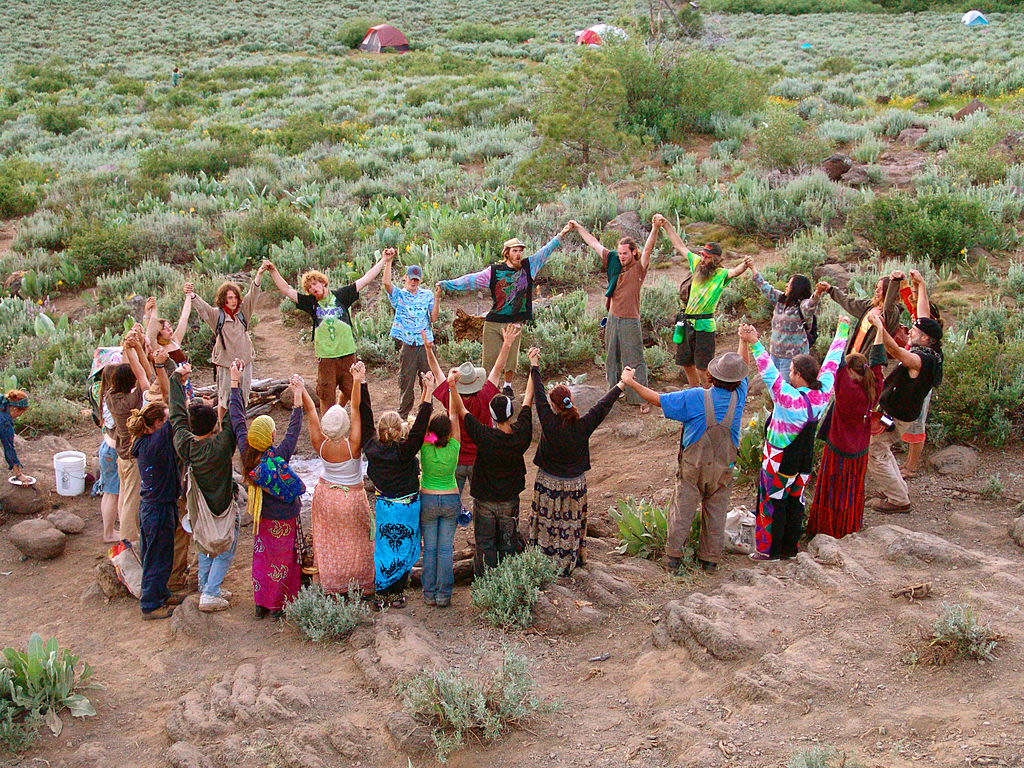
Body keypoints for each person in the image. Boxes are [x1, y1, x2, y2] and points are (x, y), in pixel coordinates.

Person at [622, 347, 749, 573]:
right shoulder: (739, 397)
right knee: (717, 512)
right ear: (738, 381)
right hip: (723, 469)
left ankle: (673, 557)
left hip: (694, 467)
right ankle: (710, 560)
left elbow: (658, 400)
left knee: (682, 508)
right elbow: (741, 369)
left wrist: (630, 382)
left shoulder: (696, 397)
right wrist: (743, 341)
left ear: (712, 376)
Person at [739, 318, 850, 560]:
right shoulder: (823, 392)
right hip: (804, 460)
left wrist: (754, 343)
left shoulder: (788, 398)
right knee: (795, 502)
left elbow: (768, 372)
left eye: (791, 371)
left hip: (777, 459)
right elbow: (832, 362)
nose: (788, 374)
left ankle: (768, 551)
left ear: (799, 374)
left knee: (771, 503)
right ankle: (790, 548)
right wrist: (842, 329)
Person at [438, 222, 574, 395]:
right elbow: (470, 280)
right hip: (494, 322)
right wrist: (446, 284)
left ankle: (508, 387)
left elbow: (545, 251)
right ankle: (488, 389)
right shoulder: (494, 272)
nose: (518, 254)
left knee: (511, 361)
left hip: (514, 323)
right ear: (507, 253)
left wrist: (562, 233)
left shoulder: (529, 267)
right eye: (514, 251)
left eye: (520, 251)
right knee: (489, 361)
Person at [526, 346, 623, 576]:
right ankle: (569, 562)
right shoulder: (583, 425)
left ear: (554, 406)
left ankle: (544, 560)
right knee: (569, 524)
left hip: (548, 483)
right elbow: (602, 407)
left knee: (548, 521)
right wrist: (621, 385)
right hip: (575, 484)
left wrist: (534, 365)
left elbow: (538, 394)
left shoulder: (548, 422)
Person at [263, 252, 390, 411]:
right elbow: (286, 290)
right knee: (326, 396)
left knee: (355, 394)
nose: (313, 288)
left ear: (323, 283)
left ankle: (360, 427)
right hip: (326, 359)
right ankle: (328, 431)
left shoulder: (341, 296)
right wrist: (273, 270)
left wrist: (384, 260)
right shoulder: (311, 303)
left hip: (347, 355)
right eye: (309, 288)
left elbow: (366, 279)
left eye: (315, 284)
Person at [230, 363, 306, 619]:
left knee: (264, 560)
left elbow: (237, 418)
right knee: (285, 561)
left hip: (262, 518)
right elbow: (294, 431)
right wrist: (298, 397)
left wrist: (234, 382)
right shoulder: (279, 458)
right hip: (285, 517)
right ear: (271, 436)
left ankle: (261, 604)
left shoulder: (247, 456)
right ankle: (279, 606)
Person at [358, 371, 435, 609]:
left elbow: (365, 417)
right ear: (399, 431)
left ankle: (385, 593)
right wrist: (428, 391)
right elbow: (420, 427)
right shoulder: (405, 451)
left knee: (385, 547)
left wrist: (362, 382)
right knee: (405, 548)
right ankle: (398, 593)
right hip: (409, 508)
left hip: (385, 507)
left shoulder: (371, 448)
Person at [299, 361, 374, 596]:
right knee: (358, 541)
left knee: (329, 541)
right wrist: (357, 380)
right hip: (351, 495)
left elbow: (311, 411)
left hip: (326, 496)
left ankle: (331, 583)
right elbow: (356, 407)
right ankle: (361, 583)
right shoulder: (353, 445)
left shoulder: (320, 444)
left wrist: (300, 389)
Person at [168, 362, 239, 613]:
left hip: (198, 507)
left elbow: (176, 416)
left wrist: (176, 380)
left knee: (205, 543)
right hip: (222, 505)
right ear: (213, 427)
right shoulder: (221, 446)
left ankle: (205, 584)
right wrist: (235, 383)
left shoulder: (186, 446)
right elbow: (234, 418)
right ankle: (210, 592)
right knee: (225, 545)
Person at [450, 370, 535, 576]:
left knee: (485, 545)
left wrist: (453, 386)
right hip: (509, 499)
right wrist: (533, 368)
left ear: (492, 416)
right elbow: (528, 401)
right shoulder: (521, 434)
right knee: (508, 542)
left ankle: (485, 583)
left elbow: (462, 411)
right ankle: (507, 582)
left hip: (485, 500)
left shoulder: (484, 436)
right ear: (510, 413)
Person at [572, 216, 660, 413]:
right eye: (620, 253)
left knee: (634, 357)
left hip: (630, 319)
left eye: (625, 253)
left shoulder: (639, 268)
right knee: (612, 356)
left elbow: (648, 249)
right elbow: (594, 243)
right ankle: (614, 392)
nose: (621, 257)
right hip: (613, 317)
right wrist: (578, 227)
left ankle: (640, 398)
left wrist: (654, 228)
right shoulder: (613, 260)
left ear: (633, 252)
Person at [424, 323, 519, 502]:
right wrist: (507, 344)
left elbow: (436, 372)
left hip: (456, 457)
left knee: (453, 498)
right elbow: (498, 369)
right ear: (477, 380)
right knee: (482, 499)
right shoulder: (485, 395)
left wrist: (429, 350)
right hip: (480, 458)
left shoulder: (451, 396)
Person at [864, 307, 944, 514]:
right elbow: (923, 314)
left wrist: (880, 327)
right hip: (899, 413)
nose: (910, 332)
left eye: (915, 331)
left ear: (926, 338)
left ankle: (898, 499)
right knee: (882, 449)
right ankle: (896, 490)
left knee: (875, 451)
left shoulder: (921, 360)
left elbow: (896, 352)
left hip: (896, 416)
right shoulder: (933, 353)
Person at [659, 219, 751, 387]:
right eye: (702, 255)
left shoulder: (721, 274)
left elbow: (735, 272)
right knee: (686, 363)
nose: (702, 259)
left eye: (706, 257)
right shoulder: (696, 265)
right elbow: (680, 246)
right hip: (687, 322)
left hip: (705, 326)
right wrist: (666, 225)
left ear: (715, 260)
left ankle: (709, 396)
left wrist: (745, 264)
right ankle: (696, 393)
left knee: (703, 367)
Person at [806, 343, 885, 540]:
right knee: (851, 492)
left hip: (838, 451)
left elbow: (837, 364)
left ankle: (826, 529)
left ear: (850, 371)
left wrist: (843, 330)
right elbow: (877, 363)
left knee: (832, 491)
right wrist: (879, 329)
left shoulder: (847, 391)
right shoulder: (873, 388)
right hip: (859, 452)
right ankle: (849, 527)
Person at [127, 351, 179, 620]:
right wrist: (163, 369)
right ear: (156, 424)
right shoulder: (157, 442)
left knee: (156, 553)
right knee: (157, 556)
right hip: (157, 509)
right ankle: (150, 605)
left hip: (153, 506)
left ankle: (160, 592)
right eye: (164, 420)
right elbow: (172, 404)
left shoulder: (144, 442)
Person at [187, 268, 265, 423]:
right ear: (223, 299)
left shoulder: (243, 313)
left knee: (243, 396)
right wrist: (192, 295)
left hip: (245, 362)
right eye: (230, 298)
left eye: (235, 297)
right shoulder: (218, 316)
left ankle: (240, 425)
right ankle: (223, 428)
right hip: (225, 363)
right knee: (224, 397)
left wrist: (260, 274)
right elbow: (203, 309)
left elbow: (253, 295)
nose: (233, 301)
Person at [106, 328, 157, 544]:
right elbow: (146, 378)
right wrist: (136, 348)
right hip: (133, 454)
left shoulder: (111, 396)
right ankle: (129, 539)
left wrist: (129, 348)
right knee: (131, 500)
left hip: (121, 454)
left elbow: (130, 373)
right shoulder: (130, 402)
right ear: (131, 383)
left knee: (125, 495)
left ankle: (127, 533)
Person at [419, 369, 463, 606]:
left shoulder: (426, 446)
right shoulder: (454, 446)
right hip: (449, 499)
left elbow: (422, 422)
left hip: (428, 499)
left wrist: (428, 387)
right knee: (446, 550)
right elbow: (455, 414)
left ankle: (428, 594)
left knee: (431, 550)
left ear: (431, 432)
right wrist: (451, 386)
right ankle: (444, 595)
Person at [744, 258, 827, 384]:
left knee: (788, 391)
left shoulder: (802, 306)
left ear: (797, 288)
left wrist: (818, 292)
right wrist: (752, 268)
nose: (787, 285)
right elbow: (765, 287)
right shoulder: (780, 300)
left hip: (792, 360)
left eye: (790, 283)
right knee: (775, 388)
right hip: (775, 355)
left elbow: (811, 304)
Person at [897, 269, 940, 479]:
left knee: (917, 422)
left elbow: (920, 307)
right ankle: (907, 464)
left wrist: (921, 285)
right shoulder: (921, 325)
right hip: (912, 377)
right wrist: (909, 283)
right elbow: (911, 301)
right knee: (912, 420)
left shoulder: (927, 326)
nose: (912, 301)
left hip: (920, 381)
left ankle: (911, 467)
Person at [383, 260, 440, 418]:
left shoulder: (427, 294)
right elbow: (387, 283)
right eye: (411, 278)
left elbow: (434, 318)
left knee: (428, 381)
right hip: (409, 345)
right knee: (406, 382)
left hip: (426, 345)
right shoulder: (399, 295)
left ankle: (426, 415)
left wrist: (437, 297)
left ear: (419, 280)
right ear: (405, 278)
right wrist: (387, 262)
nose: (413, 282)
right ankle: (403, 417)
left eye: (416, 279)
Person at [819, 271, 902, 356]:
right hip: (855, 354)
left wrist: (894, 282)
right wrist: (830, 289)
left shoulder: (891, 313)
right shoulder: (870, 306)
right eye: (877, 287)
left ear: (887, 291)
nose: (877, 290)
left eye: (881, 288)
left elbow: (889, 305)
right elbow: (849, 302)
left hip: (871, 358)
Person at [96, 367, 121, 542]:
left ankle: (109, 530)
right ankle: (109, 533)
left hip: (106, 447)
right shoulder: (115, 401)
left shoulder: (105, 397)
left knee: (108, 492)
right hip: (113, 450)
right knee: (113, 493)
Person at [0, 389, 30, 484]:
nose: (19, 416)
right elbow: (9, 447)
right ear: (15, 409)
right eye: (21, 413)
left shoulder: (2, 401)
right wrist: (19, 475)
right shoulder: (4, 421)